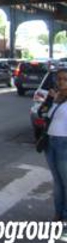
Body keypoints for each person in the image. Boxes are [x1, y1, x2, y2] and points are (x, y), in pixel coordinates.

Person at [44, 68, 67, 222]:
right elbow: (44, 114)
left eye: (65, 78)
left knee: (65, 182)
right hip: (50, 142)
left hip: (64, 143)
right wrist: (50, 100)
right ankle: (59, 214)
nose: (61, 81)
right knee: (58, 182)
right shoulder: (56, 96)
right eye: (59, 78)